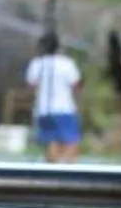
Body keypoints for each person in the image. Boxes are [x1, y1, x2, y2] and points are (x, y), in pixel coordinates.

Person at [25, 33, 83, 164]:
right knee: (70, 142)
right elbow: (76, 84)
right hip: (64, 108)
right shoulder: (66, 64)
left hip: (43, 110)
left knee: (50, 143)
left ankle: (52, 171)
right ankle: (69, 171)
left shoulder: (36, 64)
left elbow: (31, 84)